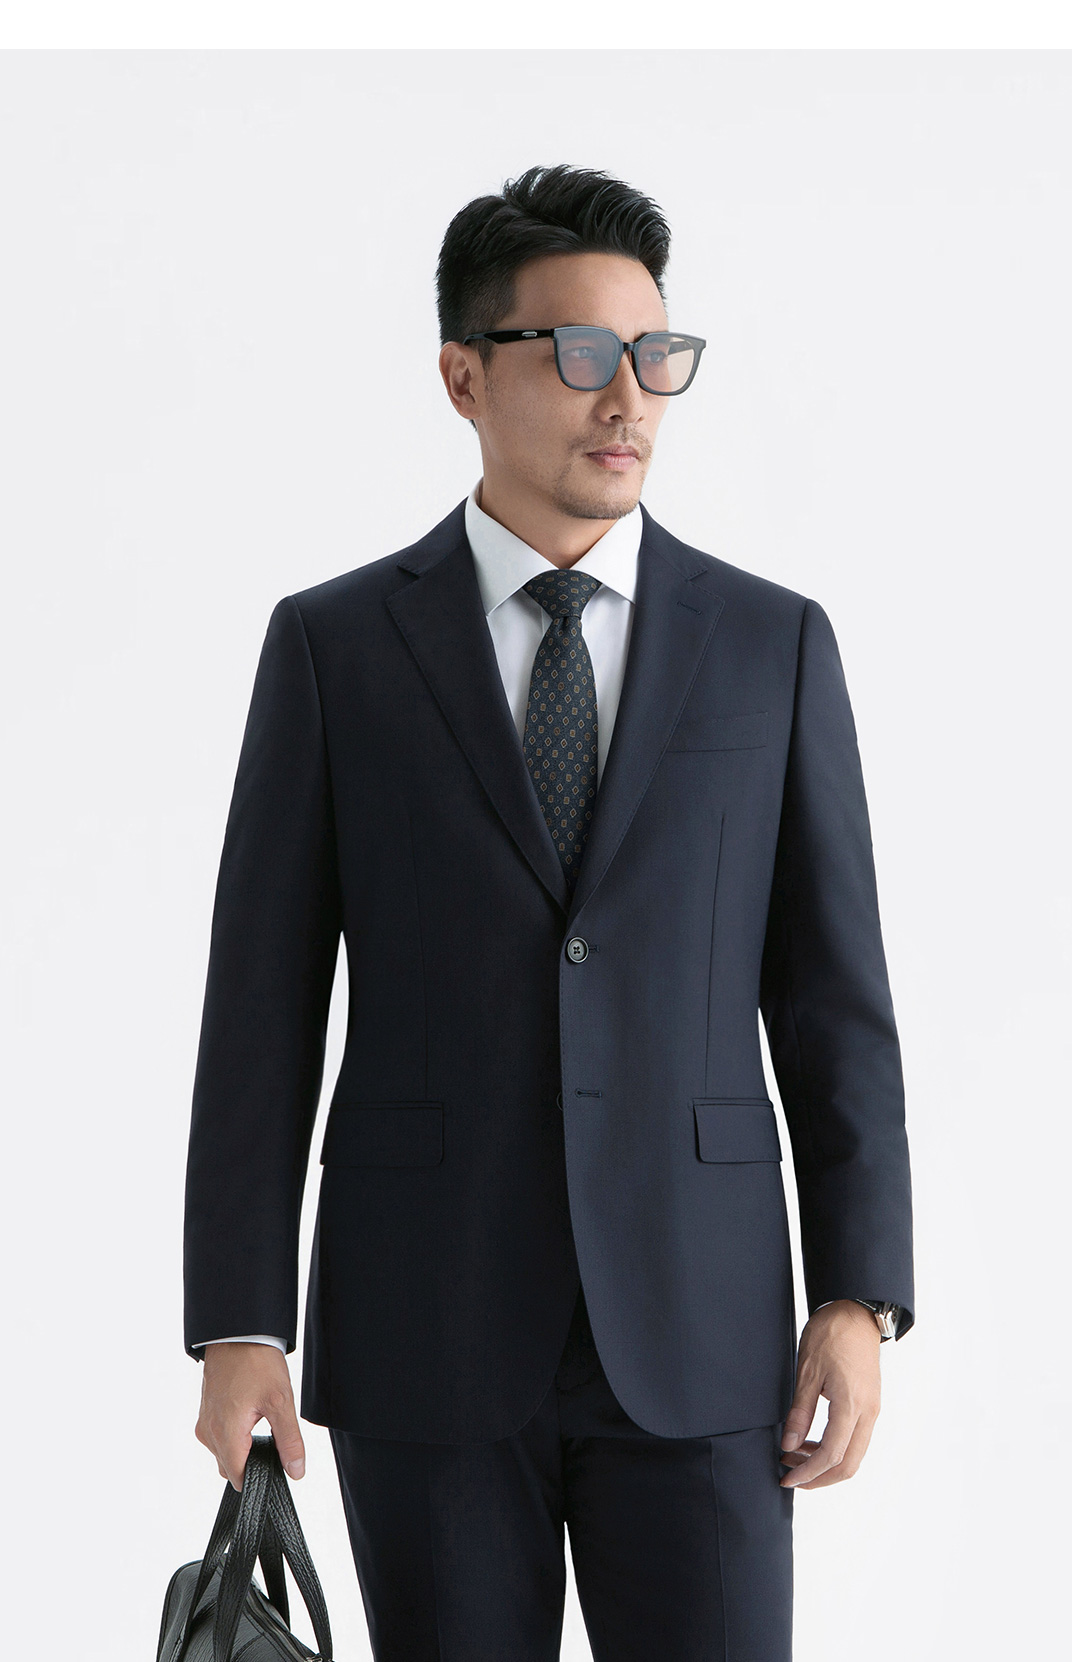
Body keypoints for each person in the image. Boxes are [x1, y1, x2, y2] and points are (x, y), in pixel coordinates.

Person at [184, 162, 915, 1662]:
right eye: (581, 354)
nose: (626, 397)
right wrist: (240, 1319)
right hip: (426, 1322)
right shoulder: (335, 648)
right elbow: (261, 1004)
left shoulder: (771, 645)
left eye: (656, 355)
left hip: (707, 1327)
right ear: (464, 376)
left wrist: (860, 1289)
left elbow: (832, 993)